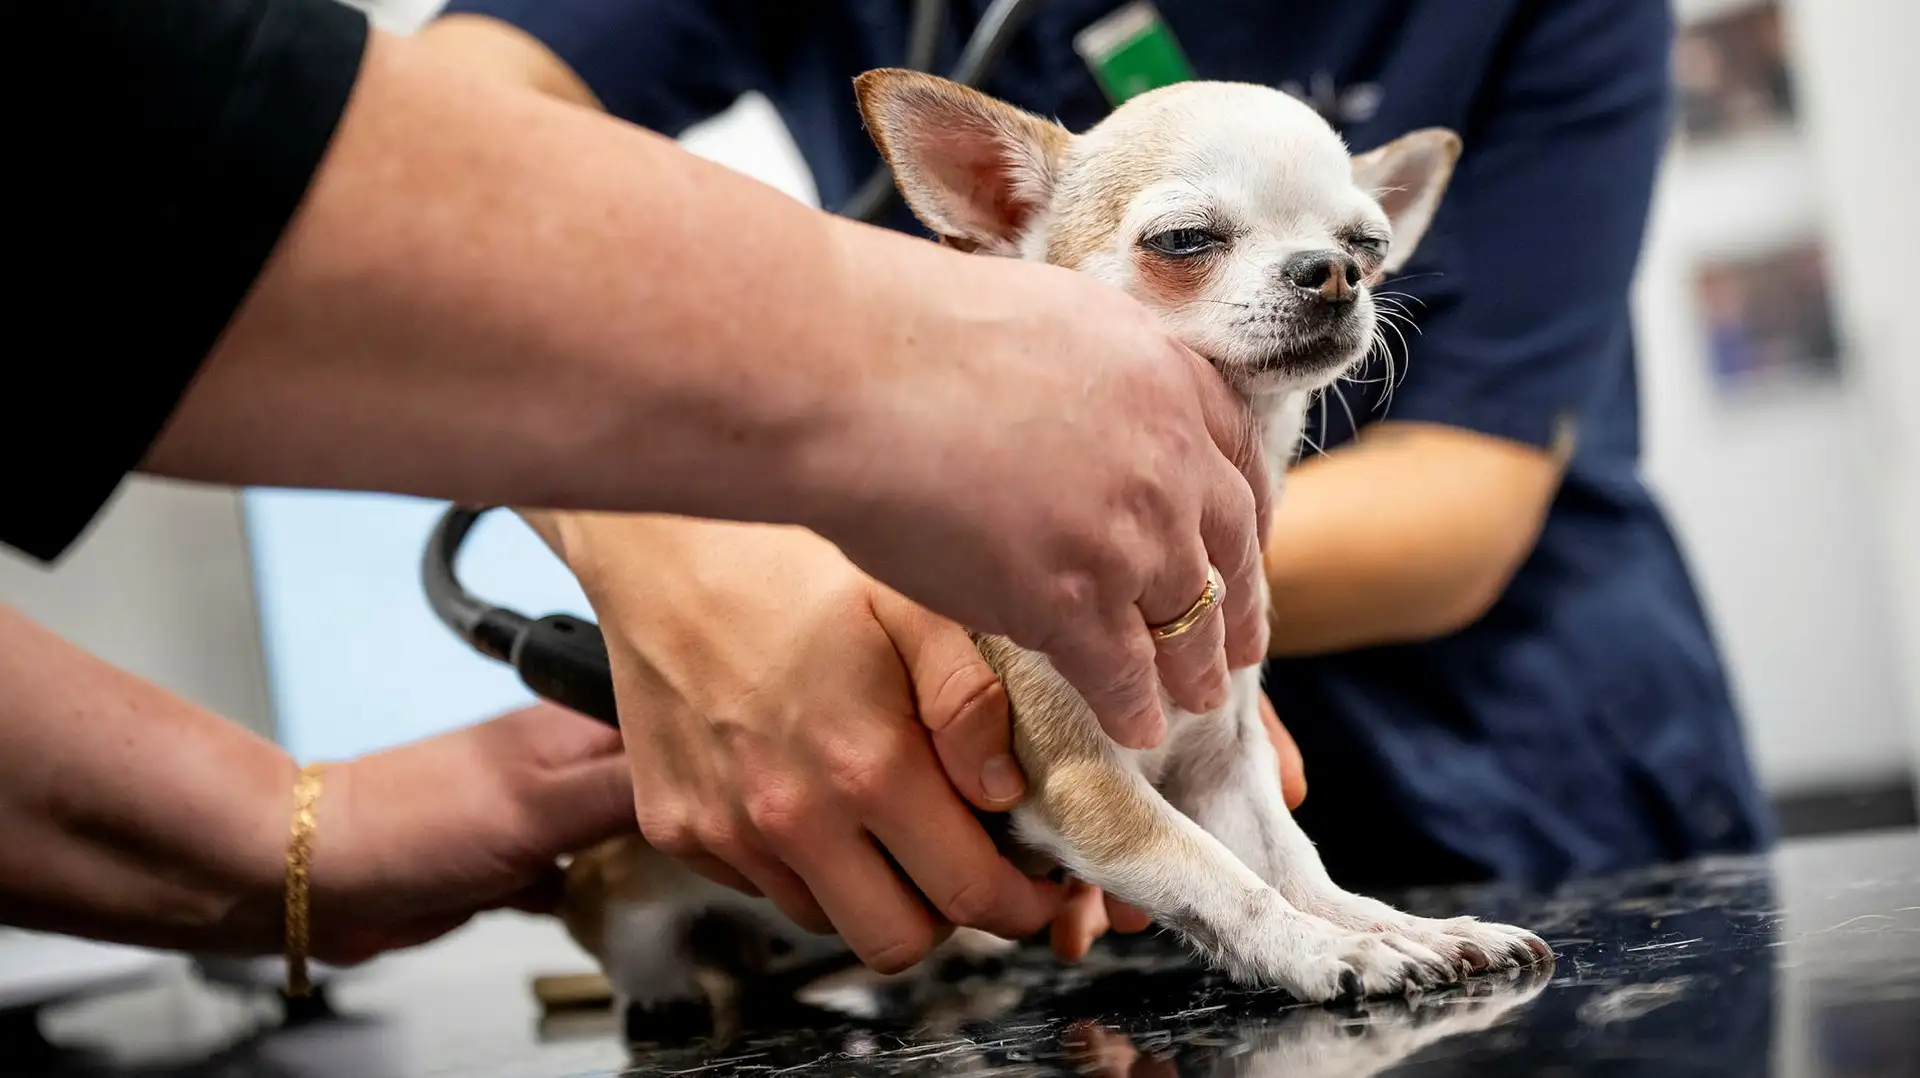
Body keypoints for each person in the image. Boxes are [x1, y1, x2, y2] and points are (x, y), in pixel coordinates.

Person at [421, 0, 1776, 960]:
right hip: (1030, 856)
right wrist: (669, 546)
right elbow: (431, 155)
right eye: (1188, 240)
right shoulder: (1020, 176)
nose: (1332, 282)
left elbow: (1457, 509)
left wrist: (985, 588)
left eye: (1358, 249)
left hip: (1523, 762)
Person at [3, 0, 1275, 962]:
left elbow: (1470, 501)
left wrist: (279, 835)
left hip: (1394, 792)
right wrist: (680, 527)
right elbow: (373, 125)